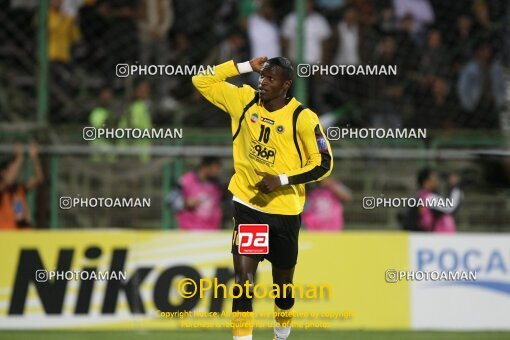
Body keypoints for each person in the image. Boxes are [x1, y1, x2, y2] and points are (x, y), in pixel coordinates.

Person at [193, 56, 333, 340]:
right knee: (243, 280)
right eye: (263, 77)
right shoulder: (243, 101)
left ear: (286, 85)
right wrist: (243, 66)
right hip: (249, 206)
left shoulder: (302, 118)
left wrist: (281, 179)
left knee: (283, 287)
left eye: (271, 79)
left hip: (285, 211)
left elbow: (323, 164)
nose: (263, 82)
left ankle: (281, 335)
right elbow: (201, 80)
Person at [170, 157, 224, 230]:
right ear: (205, 167)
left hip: (212, 233)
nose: (217, 171)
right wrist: (185, 203)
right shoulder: (186, 181)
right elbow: (171, 201)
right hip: (190, 232)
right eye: (215, 168)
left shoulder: (218, 185)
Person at [0, 143, 43, 229]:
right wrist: (19, 158)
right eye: (11, 169)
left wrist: (34, 157)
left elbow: (39, 178)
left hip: (22, 235)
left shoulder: (20, 188)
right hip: (5, 236)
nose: (15, 172)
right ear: (2, 173)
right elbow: (8, 181)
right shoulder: (3, 189)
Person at [416, 167, 462, 233]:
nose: (436, 180)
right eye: (433, 177)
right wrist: (456, 187)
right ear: (426, 181)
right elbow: (450, 207)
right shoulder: (429, 198)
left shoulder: (422, 196)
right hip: (440, 238)